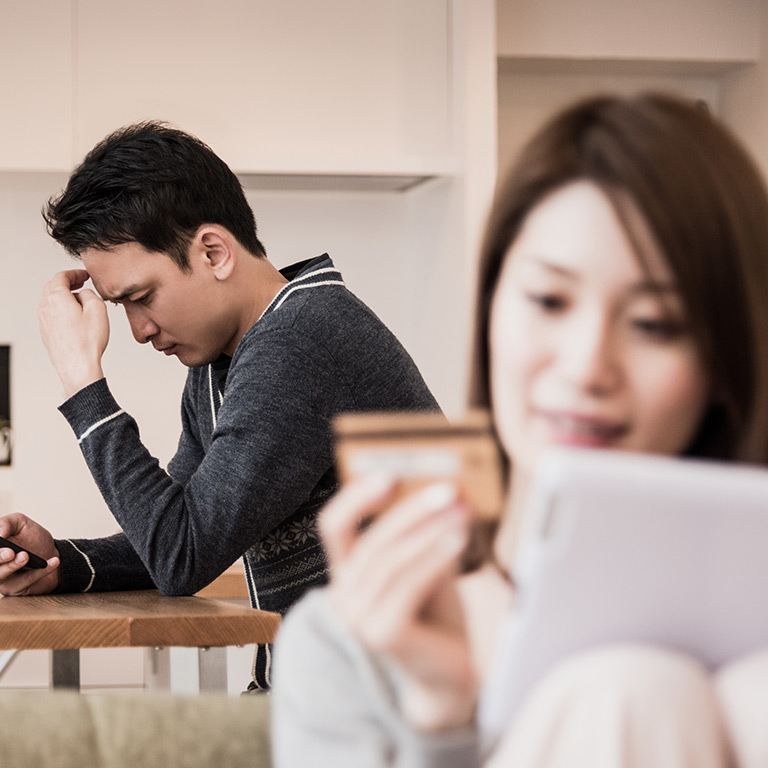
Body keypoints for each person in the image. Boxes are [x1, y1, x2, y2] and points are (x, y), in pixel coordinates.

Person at [272, 93, 768, 764]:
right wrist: (443, 720)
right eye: (548, 300)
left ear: (726, 361)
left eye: (655, 324)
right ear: (491, 310)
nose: (588, 366)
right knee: (632, 688)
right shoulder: (351, 643)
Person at [0, 121, 440, 690]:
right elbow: (181, 529)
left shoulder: (300, 338)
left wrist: (81, 380)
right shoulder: (227, 359)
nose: (137, 330)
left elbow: (180, 555)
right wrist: (60, 564)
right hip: (328, 705)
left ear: (213, 251)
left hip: (397, 719)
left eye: (141, 297)